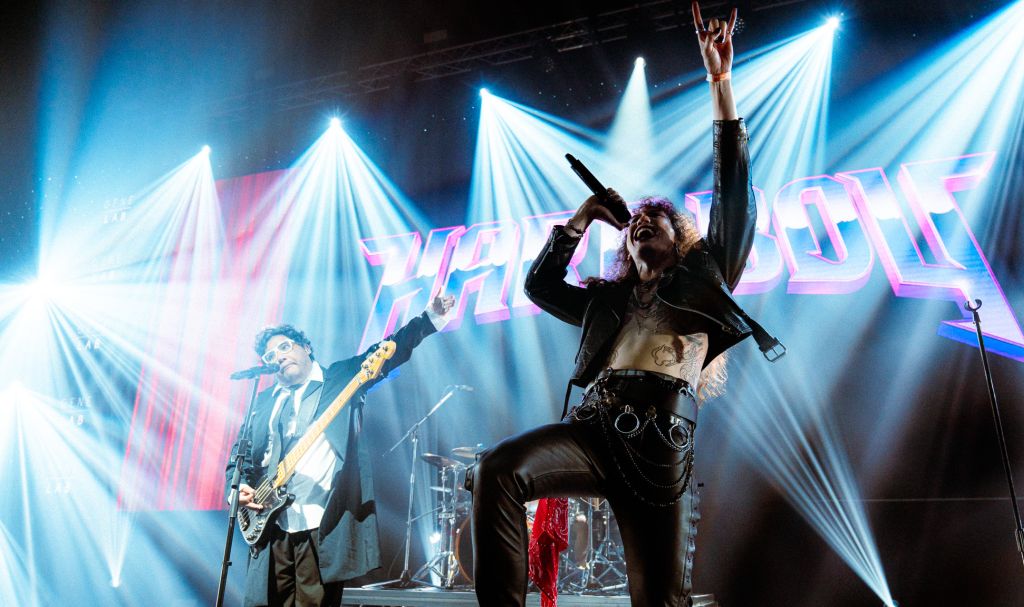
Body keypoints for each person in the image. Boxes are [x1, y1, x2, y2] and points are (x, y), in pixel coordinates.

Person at [468, 4, 782, 606]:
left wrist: (720, 84)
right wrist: (582, 218)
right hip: (593, 428)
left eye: (655, 219)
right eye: (635, 220)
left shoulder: (704, 279)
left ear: (679, 238)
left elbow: (734, 197)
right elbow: (540, 287)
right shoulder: (607, 302)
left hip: (662, 439)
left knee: (661, 599)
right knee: (496, 470)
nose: (641, 222)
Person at [226, 293, 455, 607]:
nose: (277, 356)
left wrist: (428, 319)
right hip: (270, 527)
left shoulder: (340, 377)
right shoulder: (264, 401)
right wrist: (236, 489)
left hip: (321, 525)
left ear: (305, 347)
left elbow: (388, 350)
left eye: (284, 347)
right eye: (269, 355)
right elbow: (240, 455)